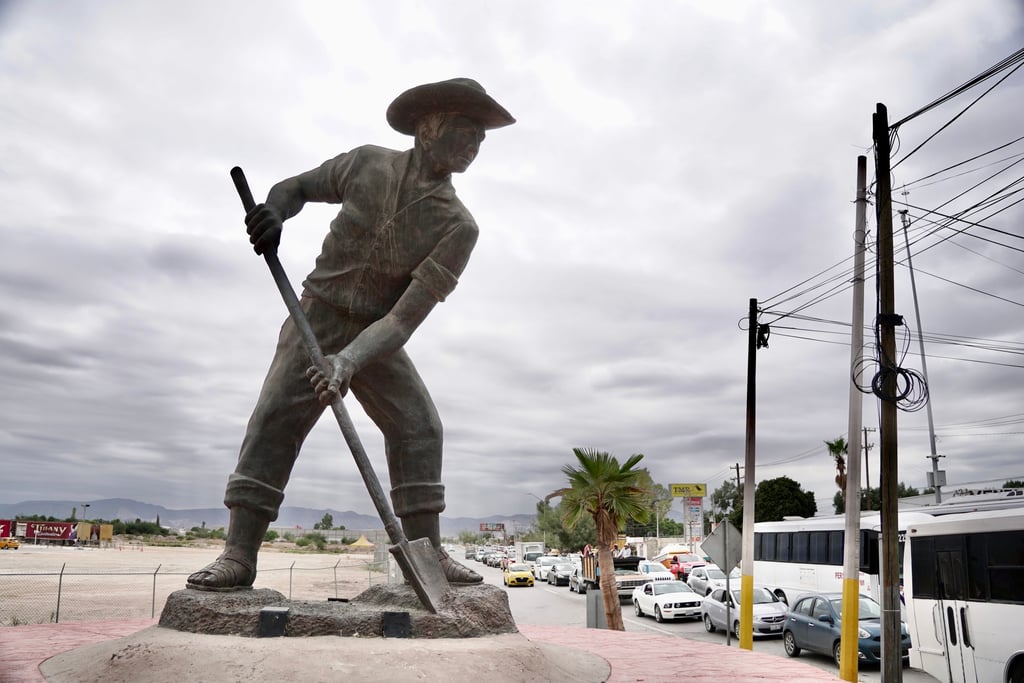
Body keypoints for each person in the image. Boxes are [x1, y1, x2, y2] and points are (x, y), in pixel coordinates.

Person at [187, 78, 515, 591]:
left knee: (420, 428)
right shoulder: (367, 164)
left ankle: (426, 556)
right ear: (428, 131)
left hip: (377, 335)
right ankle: (239, 553)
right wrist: (274, 214)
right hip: (314, 316)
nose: (474, 146)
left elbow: (403, 319)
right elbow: (292, 189)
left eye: (480, 138)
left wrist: (349, 361)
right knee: (274, 417)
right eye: (464, 131)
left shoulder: (458, 226)